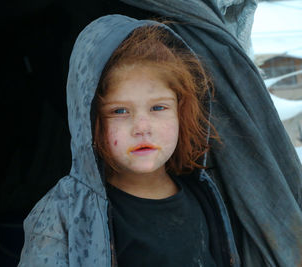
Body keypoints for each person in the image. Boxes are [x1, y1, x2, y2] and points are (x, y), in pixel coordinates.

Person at [19, 13, 302, 267]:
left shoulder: (205, 194)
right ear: (90, 122)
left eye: (158, 108)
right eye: (120, 111)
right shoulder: (63, 216)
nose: (142, 127)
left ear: (182, 113)